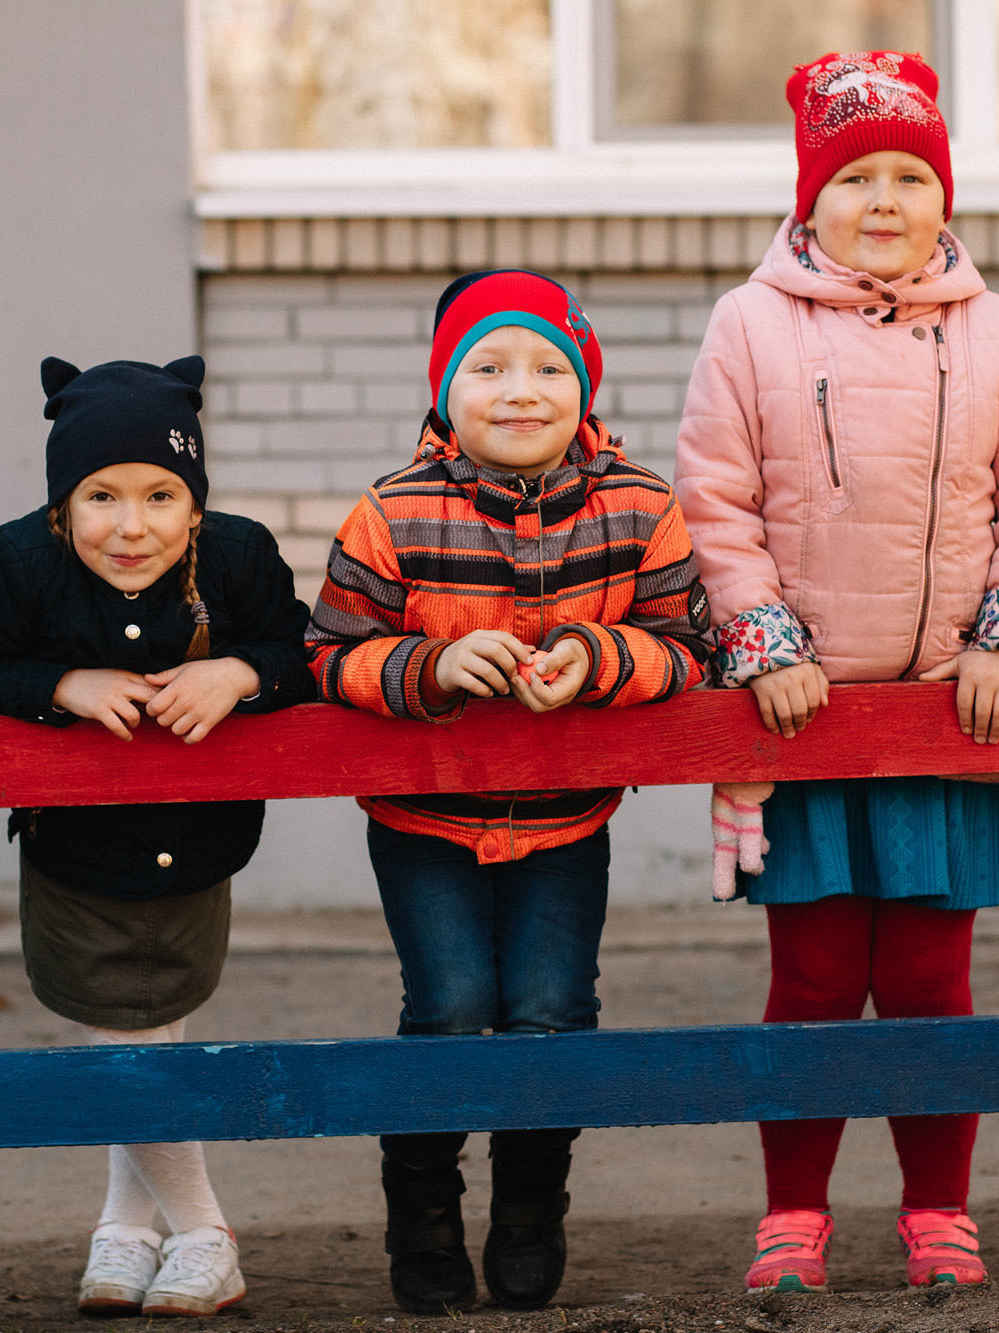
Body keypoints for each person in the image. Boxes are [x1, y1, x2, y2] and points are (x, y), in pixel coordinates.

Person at [674, 51, 999, 1293]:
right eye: (852, 175)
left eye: (908, 176)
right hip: (798, 721)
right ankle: (792, 1216)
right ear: (808, 197)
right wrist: (761, 641)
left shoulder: (995, 330)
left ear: (940, 197)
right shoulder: (748, 323)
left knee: (926, 975)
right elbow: (714, 495)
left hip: (941, 715)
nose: (881, 199)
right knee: (809, 976)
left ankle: (936, 1212)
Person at [307, 270, 712, 1313]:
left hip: (566, 819)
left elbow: (686, 646)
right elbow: (330, 654)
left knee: (547, 1012)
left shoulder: (638, 504)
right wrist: (430, 668)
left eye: (546, 366)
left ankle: (530, 1207)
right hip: (423, 820)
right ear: (444, 389)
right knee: (446, 1010)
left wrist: (599, 653)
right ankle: (423, 1212)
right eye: (485, 366)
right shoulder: (391, 511)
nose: (517, 389)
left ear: (583, 386)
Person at [0, 355, 312, 1318]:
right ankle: (202, 1232)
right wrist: (60, 686)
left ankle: (126, 1225)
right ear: (63, 504)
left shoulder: (237, 557)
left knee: (152, 1024)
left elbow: (299, 652)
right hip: (78, 854)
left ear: (195, 504)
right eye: (100, 495)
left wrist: (237, 673)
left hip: (198, 846)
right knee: (123, 1030)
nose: (131, 524)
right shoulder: (22, 562)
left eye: (160, 495)